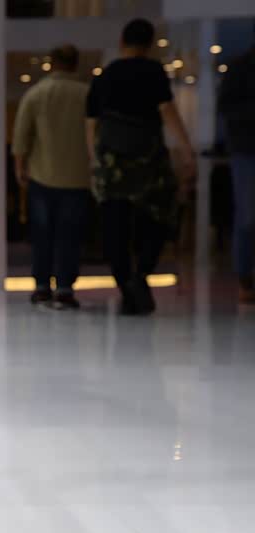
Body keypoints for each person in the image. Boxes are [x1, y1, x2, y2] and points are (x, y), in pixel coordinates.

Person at [86, 18, 196, 315]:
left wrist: (95, 160)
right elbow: (167, 111)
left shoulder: (105, 76)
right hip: (149, 160)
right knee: (157, 218)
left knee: (115, 225)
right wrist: (186, 149)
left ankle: (126, 286)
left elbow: (91, 125)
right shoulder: (153, 71)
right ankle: (141, 273)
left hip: (113, 163)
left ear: (122, 41)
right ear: (150, 44)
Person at [13, 45, 91, 309]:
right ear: (75, 64)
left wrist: (20, 168)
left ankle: (42, 287)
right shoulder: (86, 94)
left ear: (52, 64)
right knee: (70, 235)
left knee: (42, 235)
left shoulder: (36, 94)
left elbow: (21, 136)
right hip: (78, 177)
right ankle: (65, 288)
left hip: (42, 176)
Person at [218, 36, 255, 304]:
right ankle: (244, 278)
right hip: (246, 148)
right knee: (247, 215)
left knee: (247, 214)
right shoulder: (241, 68)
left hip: (244, 147)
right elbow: (226, 107)